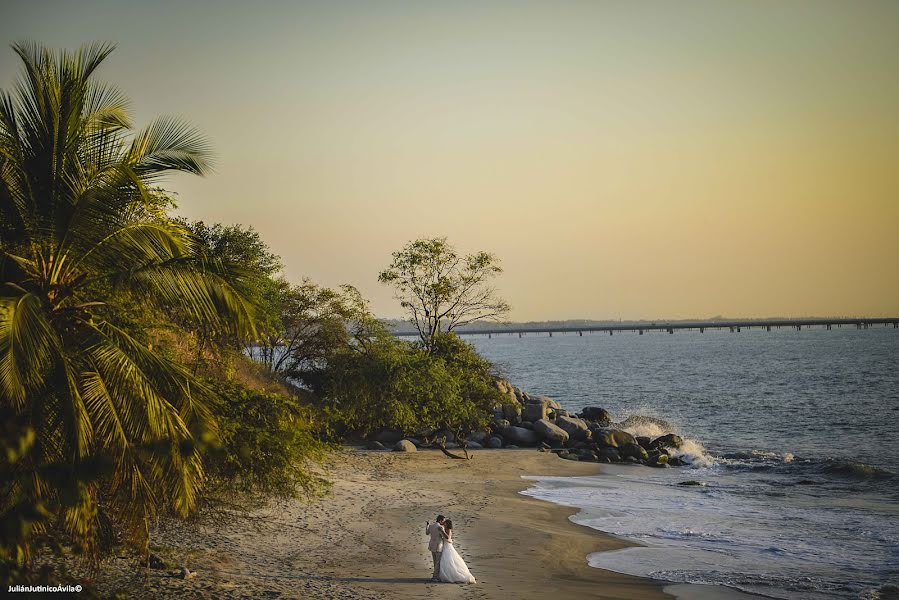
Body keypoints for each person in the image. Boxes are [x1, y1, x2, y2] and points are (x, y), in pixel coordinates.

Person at [438, 519, 476, 584]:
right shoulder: (444, 529)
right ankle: (447, 574)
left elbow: (448, 538)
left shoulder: (449, 530)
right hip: (445, 546)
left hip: (448, 546)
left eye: (445, 523)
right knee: (445, 561)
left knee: (450, 560)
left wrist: (442, 531)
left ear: (448, 524)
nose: (444, 524)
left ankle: (455, 576)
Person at [426, 515, 448, 581]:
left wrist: (427, 525)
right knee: (438, 562)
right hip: (438, 545)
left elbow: (427, 533)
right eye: (443, 521)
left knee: (435, 561)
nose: (444, 522)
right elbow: (444, 537)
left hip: (432, 545)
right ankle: (435, 577)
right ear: (440, 520)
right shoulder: (440, 527)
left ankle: (436, 576)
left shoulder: (431, 526)